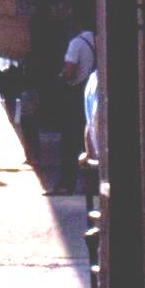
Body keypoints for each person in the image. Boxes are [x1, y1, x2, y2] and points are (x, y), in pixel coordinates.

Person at [52, 26, 96, 193]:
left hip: (75, 94)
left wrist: (61, 77)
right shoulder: (96, 41)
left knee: (68, 144)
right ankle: (90, 185)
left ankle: (66, 184)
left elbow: (70, 71)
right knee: (89, 138)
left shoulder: (76, 43)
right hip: (92, 90)